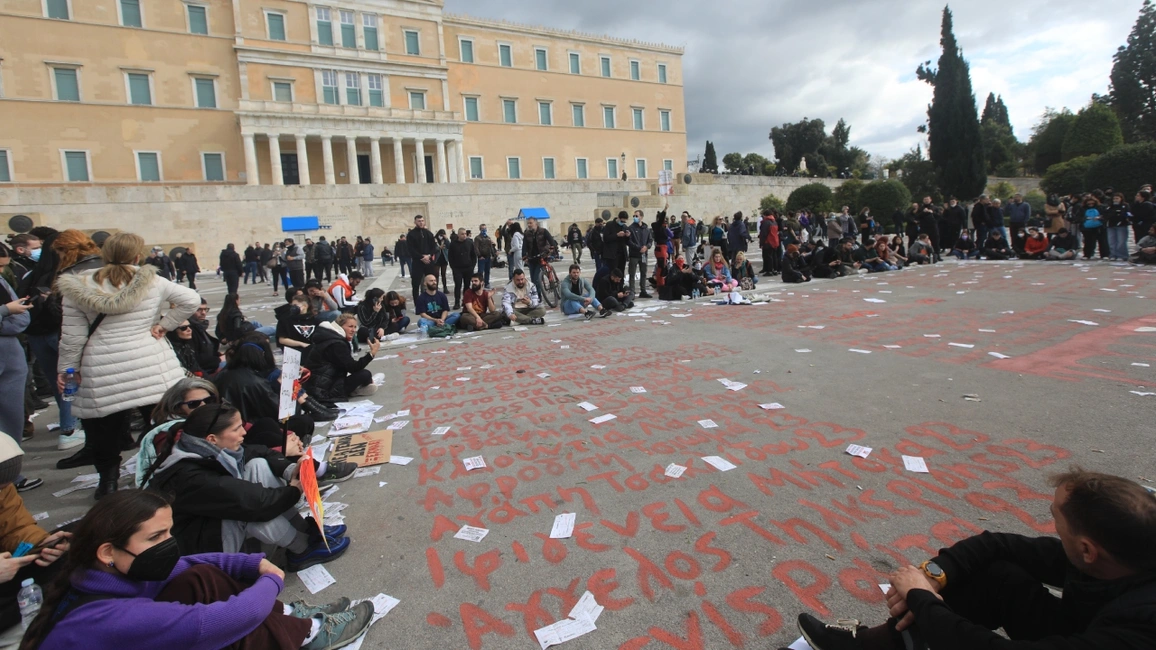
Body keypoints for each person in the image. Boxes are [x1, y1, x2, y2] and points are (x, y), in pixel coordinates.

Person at [792, 468, 1156, 650]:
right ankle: (882, 644)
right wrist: (934, 575)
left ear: (1088, 550)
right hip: (1083, 625)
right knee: (999, 576)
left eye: (1056, 522)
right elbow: (999, 544)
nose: (1052, 529)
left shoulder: (1137, 627)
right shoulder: (1123, 551)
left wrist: (920, 596)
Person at [21, 489, 375, 650]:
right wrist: (271, 581)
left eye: (169, 531)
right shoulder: (110, 617)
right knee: (237, 628)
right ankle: (308, 632)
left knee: (200, 578)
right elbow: (218, 622)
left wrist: (252, 563)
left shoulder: (103, 573)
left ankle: (290, 617)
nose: (168, 542)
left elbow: (190, 564)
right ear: (107, 551)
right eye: (156, 536)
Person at [56, 232, 200, 499]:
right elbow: (191, 299)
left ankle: (108, 483)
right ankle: (163, 474)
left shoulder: (77, 286)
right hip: (148, 361)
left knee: (102, 430)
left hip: (100, 364)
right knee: (161, 422)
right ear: (137, 256)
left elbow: (72, 337)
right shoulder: (153, 281)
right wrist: (164, 325)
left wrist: (67, 369)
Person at [21, 230, 102, 455]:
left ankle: (70, 425)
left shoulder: (32, 274)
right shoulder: (69, 275)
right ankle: (71, 428)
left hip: (36, 335)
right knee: (73, 381)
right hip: (59, 334)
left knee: (62, 385)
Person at [0, 434, 71, 629]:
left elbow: (16, 527)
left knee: (71, 543)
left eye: (4, 487)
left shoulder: (3, 489)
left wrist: (41, 544)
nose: (2, 491)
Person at [215, 333, 334, 423]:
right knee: (304, 423)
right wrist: (282, 384)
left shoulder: (229, 372)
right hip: (250, 422)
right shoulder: (253, 380)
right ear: (261, 354)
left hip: (241, 420)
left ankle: (314, 407)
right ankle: (314, 408)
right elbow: (284, 413)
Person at [304, 315, 380, 400]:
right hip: (324, 389)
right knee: (365, 374)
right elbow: (353, 368)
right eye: (350, 326)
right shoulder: (337, 344)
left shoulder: (328, 336)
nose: (353, 330)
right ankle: (354, 390)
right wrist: (372, 353)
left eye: (355, 327)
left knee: (363, 375)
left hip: (318, 383)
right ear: (339, 326)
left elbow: (345, 365)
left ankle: (360, 386)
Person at [406, 215, 439, 304]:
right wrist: (421, 257)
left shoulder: (428, 233)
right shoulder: (411, 234)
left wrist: (428, 255)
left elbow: (434, 247)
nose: (421, 222)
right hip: (417, 262)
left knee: (432, 281)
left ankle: (433, 300)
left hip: (428, 261)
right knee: (416, 283)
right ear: (415, 222)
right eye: (419, 221)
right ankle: (417, 303)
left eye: (422, 221)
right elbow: (410, 249)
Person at [523, 218, 557, 299]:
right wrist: (524, 256)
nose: (529, 225)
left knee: (536, 278)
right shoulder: (527, 233)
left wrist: (552, 248)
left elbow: (551, 240)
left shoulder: (543, 231)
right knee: (533, 279)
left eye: (531, 223)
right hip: (532, 257)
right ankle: (537, 295)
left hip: (542, 256)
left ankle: (538, 296)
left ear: (536, 223)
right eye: (528, 223)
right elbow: (524, 245)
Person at [448, 228, 477, 311]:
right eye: (462, 234)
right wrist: (453, 267)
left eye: (465, 234)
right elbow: (450, 257)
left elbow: (473, 255)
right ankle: (457, 302)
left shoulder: (469, 243)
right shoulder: (453, 244)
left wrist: (472, 265)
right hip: (457, 268)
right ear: (458, 235)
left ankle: (465, 301)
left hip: (468, 268)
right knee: (458, 285)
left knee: (467, 285)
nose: (464, 235)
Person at [627, 211, 654, 299]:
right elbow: (629, 241)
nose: (635, 217)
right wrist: (639, 248)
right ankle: (632, 291)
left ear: (641, 217)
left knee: (643, 272)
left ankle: (643, 290)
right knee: (632, 273)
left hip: (643, 255)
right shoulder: (630, 228)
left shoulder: (646, 228)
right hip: (634, 254)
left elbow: (650, 240)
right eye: (634, 215)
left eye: (637, 216)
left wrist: (647, 247)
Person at [1103, 192, 1132, 261]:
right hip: (1110, 225)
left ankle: (1122, 255)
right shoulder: (1109, 206)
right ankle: (1113, 255)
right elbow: (1105, 214)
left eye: (1117, 198)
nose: (1115, 200)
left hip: (1121, 225)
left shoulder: (1125, 205)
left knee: (1121, 241)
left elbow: (1127, 214)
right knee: (1111, 241)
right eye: (1114, 198)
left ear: (1121, 199)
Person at [602, 211, 631, 277]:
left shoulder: (624, 227)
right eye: (621, 221)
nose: (622, 223)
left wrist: (627, 236)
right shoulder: (609, 225)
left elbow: (627, 242)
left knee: (621, 273)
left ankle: (620, 286)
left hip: (622, 254)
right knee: (613, 273)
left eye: (624, 222)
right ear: (618, 218)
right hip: (612, 255)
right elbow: (605, 238)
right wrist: (617, 235)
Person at [759, 211, 781, 276]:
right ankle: (775, 269)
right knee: (774, 256)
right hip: (775, 241)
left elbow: (763, 233)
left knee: (768, 256)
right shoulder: (774, 221)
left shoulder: (766, 222)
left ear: (765, 215)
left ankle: (769, 270)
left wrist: (761, 243)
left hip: (768, 241)